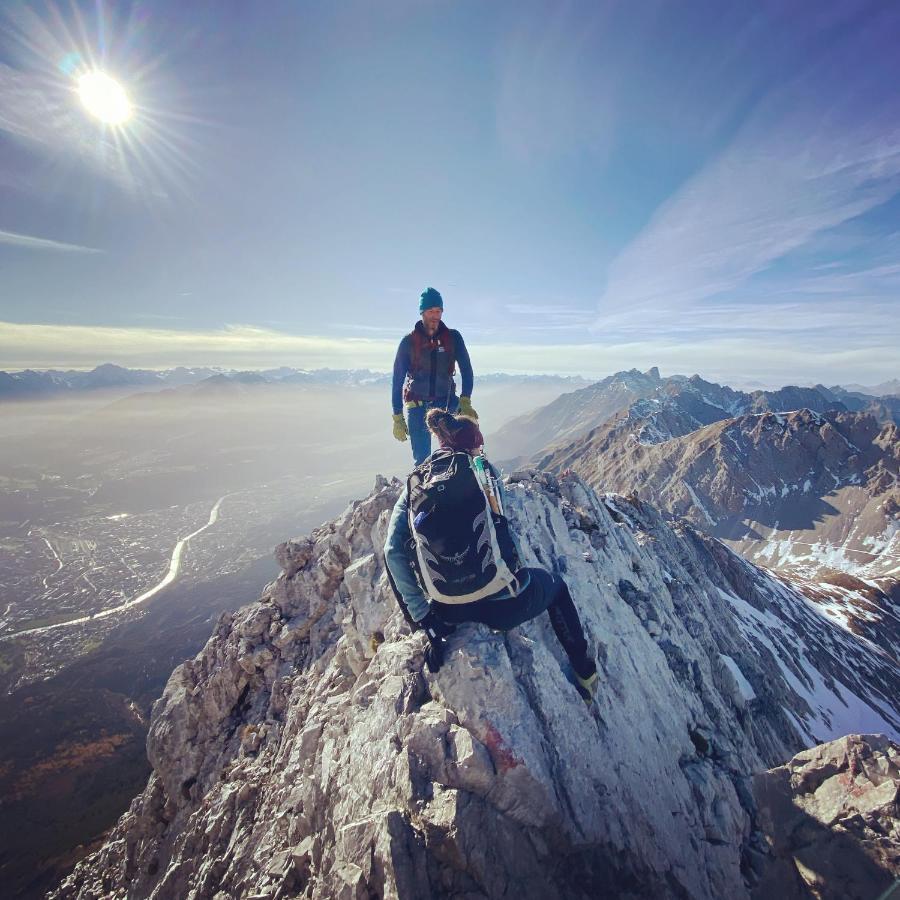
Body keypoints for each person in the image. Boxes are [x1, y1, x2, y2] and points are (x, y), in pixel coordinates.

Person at [384, 408, 599, 703]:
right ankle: (585, 674)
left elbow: (393, 552)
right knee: (558, 588)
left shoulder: (414, 486)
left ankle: (440, 615)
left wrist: (425, 619)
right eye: (479, 445)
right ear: (473, 445)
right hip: (505, 604)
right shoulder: (483, 471)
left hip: (449, 614)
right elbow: (502, 525)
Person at [391, 287, 477, 466]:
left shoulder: (453, 338)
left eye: (438, 311)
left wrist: (465, 400)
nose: (435, 316)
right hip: (418, 407)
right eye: (431, 311)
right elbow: (397, 381)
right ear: (422, 312)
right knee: (422, 463)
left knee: (457, 456)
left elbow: (467, 370)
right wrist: (397, 416)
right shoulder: (409, 342)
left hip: (447, 404)